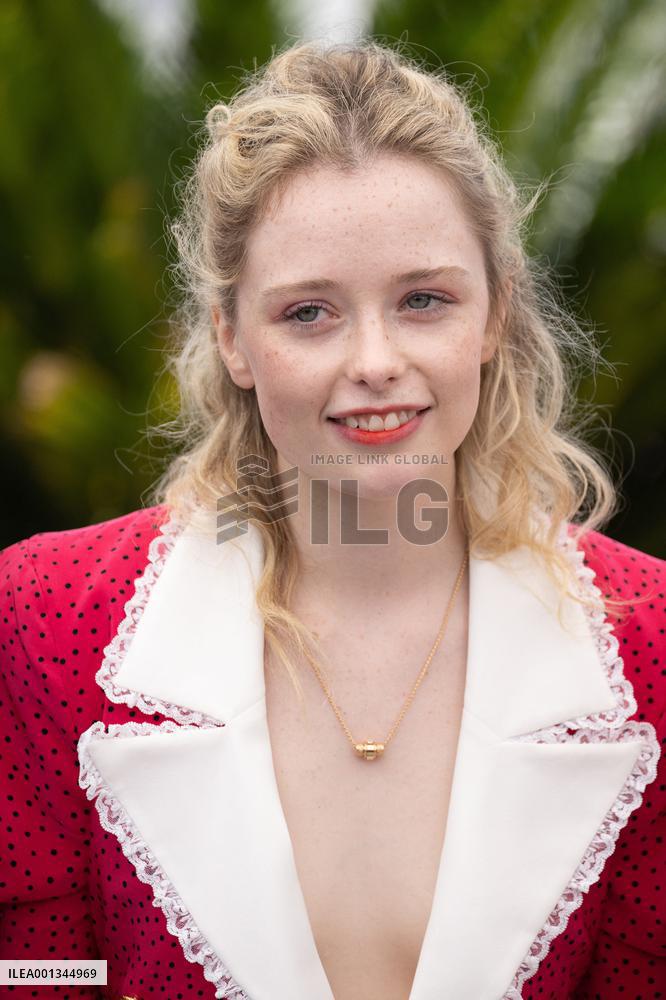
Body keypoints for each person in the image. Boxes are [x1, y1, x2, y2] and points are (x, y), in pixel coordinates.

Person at [1, 37, 664, 1000]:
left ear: (494, 315)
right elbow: (34, 970)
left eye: (424, 300)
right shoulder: (44, 617)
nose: (375, 361)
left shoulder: (648, 645)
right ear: (231, 337)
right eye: (309, 313)